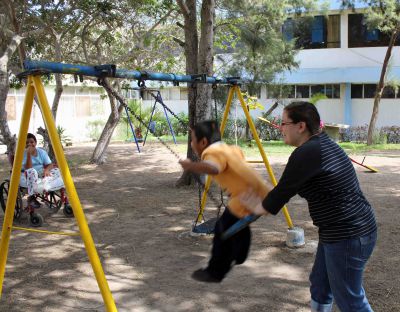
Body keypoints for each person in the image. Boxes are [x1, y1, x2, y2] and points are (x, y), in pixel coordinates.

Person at [240, 101, 377, 312]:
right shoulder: (322, 143)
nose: (280, 128)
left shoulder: (307, 152)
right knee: (321, 284)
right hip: (341, 230)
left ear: (301, 126)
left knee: (350, 300)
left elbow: (277, 197)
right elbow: (283, 190)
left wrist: (241, 217)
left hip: (349, 234)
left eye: (284, 123)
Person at [179, 120, 271, 283]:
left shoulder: (211, 153)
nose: (191, 144)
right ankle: (240, 254)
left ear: (204, 142)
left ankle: (215, 272)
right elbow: (238, 161)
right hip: (257, 194)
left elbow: (213, 168)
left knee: (222, 231)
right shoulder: (229, 149)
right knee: (236, 225)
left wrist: (191, 166)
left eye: (192, 140)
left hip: (244, 198)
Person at [20, 133, 64, 208]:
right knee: (32, 171)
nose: (29, 144)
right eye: (27, 143)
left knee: (57, 170)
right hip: (28, 174)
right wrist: (28, 154)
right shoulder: (23, 154)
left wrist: (46, 170)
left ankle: (49, 184)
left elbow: (50, 164)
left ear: (35, 143)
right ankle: (31, 197)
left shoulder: (41, 152)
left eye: (31, 142)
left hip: (41, 172)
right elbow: (28, 168)